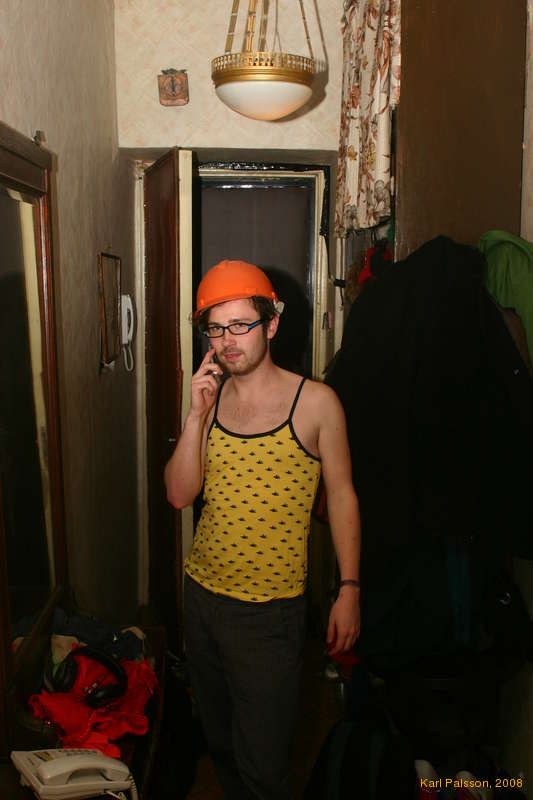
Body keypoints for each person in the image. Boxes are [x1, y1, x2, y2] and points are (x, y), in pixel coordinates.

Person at [164, 260, 361, 800]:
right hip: (202, 599)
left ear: (271, 325)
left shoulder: (316, 403)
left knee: (265, 768)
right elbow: (179, 495)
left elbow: (343, 497)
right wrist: (194, 416)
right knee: (222, 744)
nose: (227, 341)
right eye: (215, 328)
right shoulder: (209, 400)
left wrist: (349, 588)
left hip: (270, 614)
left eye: (240, 325)